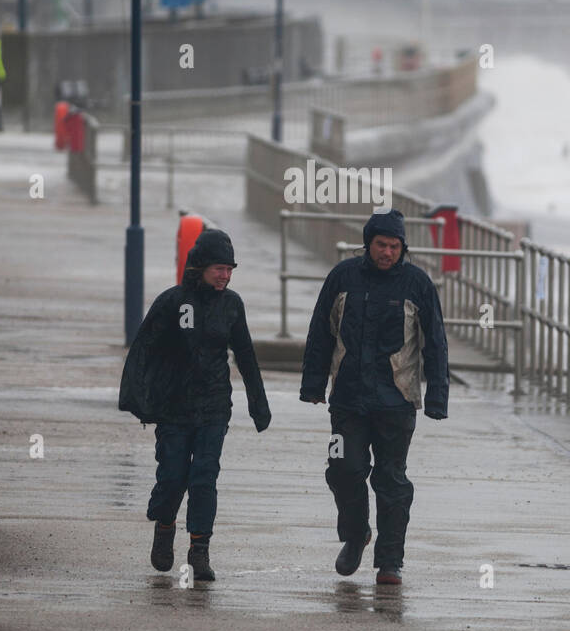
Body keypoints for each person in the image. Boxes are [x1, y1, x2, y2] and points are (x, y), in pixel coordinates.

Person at [300, 208, 449, 585]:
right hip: (347, 400)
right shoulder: (343, 278)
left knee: (391, 479)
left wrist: (437, 398)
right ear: (368, 245)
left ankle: (389, 561)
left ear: (403, 247)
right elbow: (320, 332)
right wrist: (313, 386)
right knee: (341, 469)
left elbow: (436, 343)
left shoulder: (417, 284)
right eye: (381, 245)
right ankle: (355, 535)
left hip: (396, 402)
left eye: (394, 246)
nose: (387, 252)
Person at [118, 228, 271, 579]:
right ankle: (165, 527)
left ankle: (199, 549)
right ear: (200, 266)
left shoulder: (232, 305)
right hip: (174, 407)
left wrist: (258, 403)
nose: (225, 275)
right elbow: (144, 351)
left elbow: (245, 355)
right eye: (219, 268)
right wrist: (138, 399)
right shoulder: (172, 302)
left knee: (205, 476)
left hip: (214, 407)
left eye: (230, 269)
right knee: (172, 476)